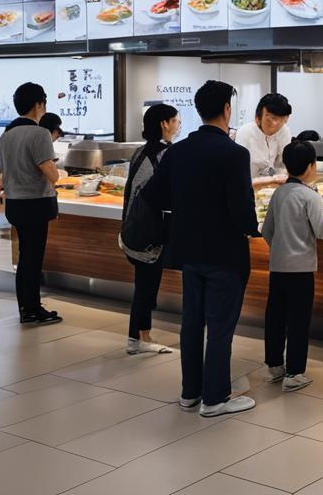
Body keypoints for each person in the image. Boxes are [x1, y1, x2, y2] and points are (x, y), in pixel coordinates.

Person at [140, 80, 258, 417]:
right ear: (226, 109)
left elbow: (153, 196)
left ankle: (190, 393)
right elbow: (242, 209)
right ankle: (216, 397)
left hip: (187, 248)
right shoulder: (234, 153)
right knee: (220, 324)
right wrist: (253, 229)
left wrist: (184, 207)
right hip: (225, 250)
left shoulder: (178, 151)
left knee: (192, 323)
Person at [262, 140, 323, 393]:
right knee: (298, 320)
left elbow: (266, 231)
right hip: (301, 269)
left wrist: (280, 246)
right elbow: (322, 231)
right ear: (311, 166)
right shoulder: (310, 196)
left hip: (278, 266)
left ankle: (275, 366)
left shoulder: (279, 193)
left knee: (275, 317)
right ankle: (295, 373)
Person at [0, 83, 61, 325]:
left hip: (15, 203)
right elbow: (49, 170)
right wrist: (59, 176)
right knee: (33, 257)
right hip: (36, 203)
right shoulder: (39, 133)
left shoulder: (7, 134)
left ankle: (26, 306)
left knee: (25, 257)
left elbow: (1, 169)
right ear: (38, 104)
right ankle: (32, 309)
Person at [121, 104, 181, 355]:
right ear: (165, 124)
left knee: (144, 284)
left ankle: (137, 336)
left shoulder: (140, 152)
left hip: (133, 228)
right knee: (147, 285)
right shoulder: (167, 155)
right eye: (176, 121)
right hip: (150, 232)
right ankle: (140, 339)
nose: (178, 125)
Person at [235, 93, 293, 187]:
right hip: (249, 187)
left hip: (274, 188)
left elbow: (283, 165)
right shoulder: (245, 133)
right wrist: (271, 179)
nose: (274, 124)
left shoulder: (284, 131)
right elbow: (239, 175)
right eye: (270, 119)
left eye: (280, 119)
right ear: (257, 118)